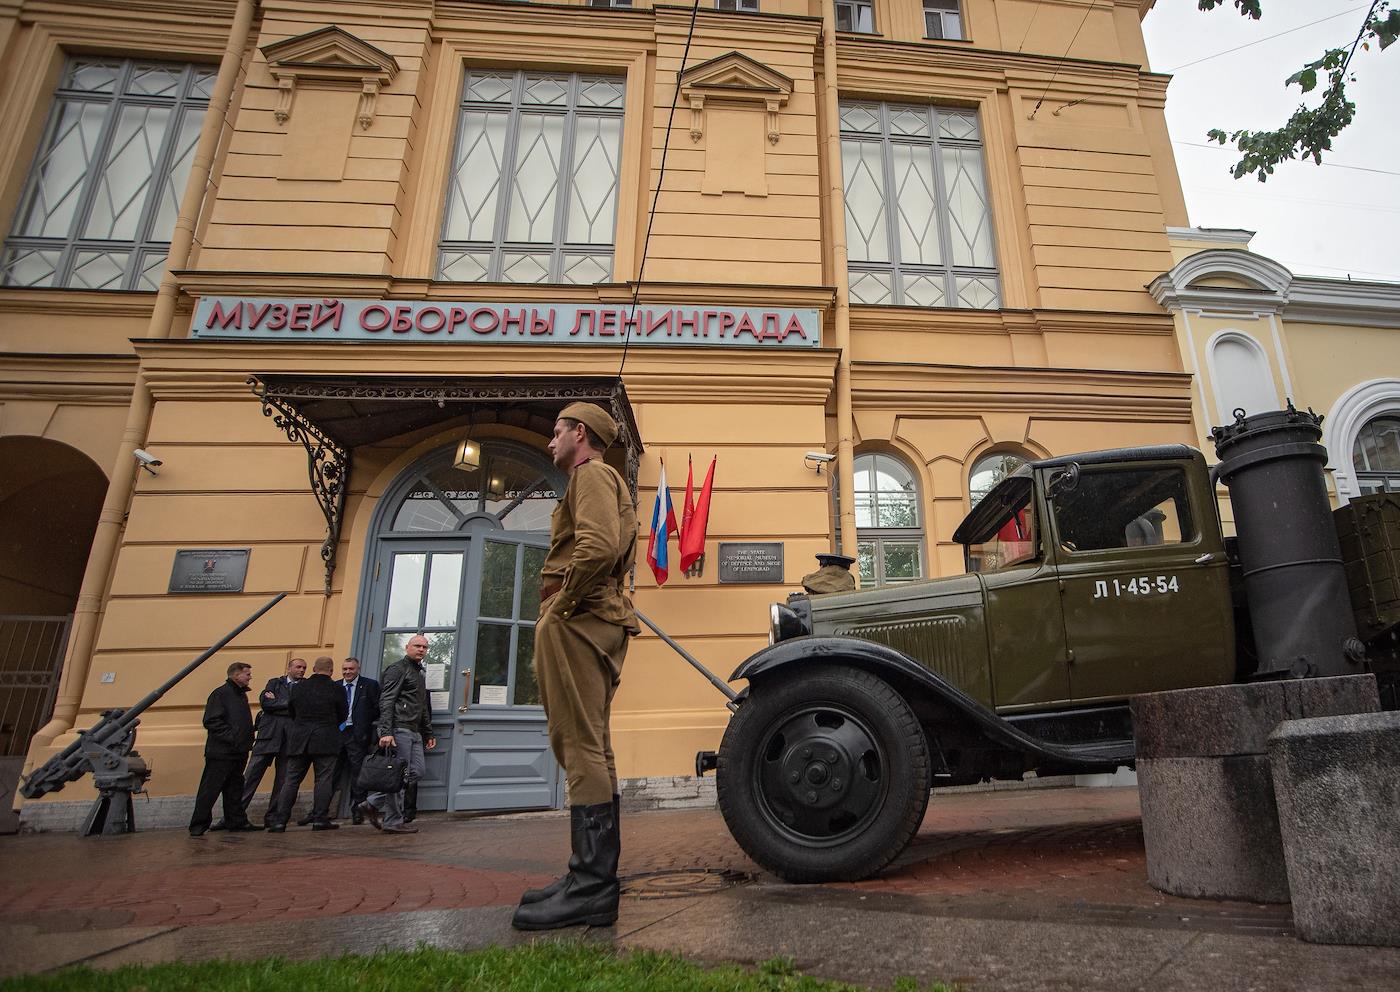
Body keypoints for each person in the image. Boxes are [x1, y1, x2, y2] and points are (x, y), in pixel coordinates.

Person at [511, 402, 638, 931]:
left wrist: (559, 607)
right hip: (596, 616)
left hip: (580, 618)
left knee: (577, 742)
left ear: (579, 434)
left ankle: (590, 887)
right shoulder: (605, 479)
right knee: (593, 743)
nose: (550, 442)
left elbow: (599, 546)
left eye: (556, 432)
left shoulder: (589, 474)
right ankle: (589, 879)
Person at [358, 634, 435, 834]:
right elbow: (387, 700)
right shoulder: (397, 669)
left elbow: (422, 706)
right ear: (407, 647)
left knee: (416, 772)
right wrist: (385, 731)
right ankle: (393, 820)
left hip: (415, 731)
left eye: (424, 647)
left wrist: (428, 732)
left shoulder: (419, 672)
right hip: (399, 728)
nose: (421, 650)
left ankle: (372, 802)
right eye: (417, 646)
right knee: (399, 774)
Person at [266, 656, 348, 831]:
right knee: (324, 780)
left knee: (291, 780)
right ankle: (320, 818)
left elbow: (292, 711)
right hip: (326, 738)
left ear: (313, 669)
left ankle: (280, 820)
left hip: (300, 739)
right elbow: (343, 714)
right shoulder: (337, 688)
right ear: (331, 670)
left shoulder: (298, 687)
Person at [190, 661, 259, 836]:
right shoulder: (221, 694)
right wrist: (233, 737)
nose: (250, 677)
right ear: (236, 675)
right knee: (210, 788)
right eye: (247, 674)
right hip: (221, 752)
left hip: (238, 751)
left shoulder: (239, 695)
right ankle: (198, 824)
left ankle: (236, 821)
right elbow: (212, 721)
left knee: (234, 788)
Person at [240, 656, 305, 825]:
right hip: (268, 735)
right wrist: (288, 705)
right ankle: (234, 814)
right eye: (298, 667)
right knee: (251, 775)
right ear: (289, 668)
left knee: (283, 780)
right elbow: (266, 703)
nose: (301, 670)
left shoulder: (305, 686)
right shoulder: (275, 683)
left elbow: (300, 708)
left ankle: (273, 817)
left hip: (290, 739)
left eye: (304, 668)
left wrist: (279, 702)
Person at [333, 656, 380, 824]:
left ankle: (357, 810)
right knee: (332, 773)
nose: (347, 672)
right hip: (338, 734)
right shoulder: (336, 686)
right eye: (344, 669)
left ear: (357, 669)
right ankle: (321, 812)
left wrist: (364, 724)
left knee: (357, 774)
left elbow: (377, 708)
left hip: (358, 735)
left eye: (350, 669)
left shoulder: (370, 685)